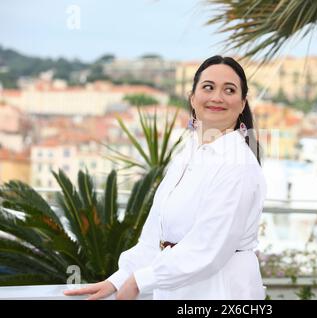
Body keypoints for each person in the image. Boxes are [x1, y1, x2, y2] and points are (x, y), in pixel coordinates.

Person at [64, 55, 267, 300]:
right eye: (208, 87)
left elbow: (208, 248)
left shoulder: (239, 165)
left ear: (242, 103)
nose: (217, 97)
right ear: (193, 98)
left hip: (219, 291)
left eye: (229, 90)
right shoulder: (187, 154)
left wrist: (140, 281)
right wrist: (118, 280)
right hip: (176, 290)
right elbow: (155, 235)